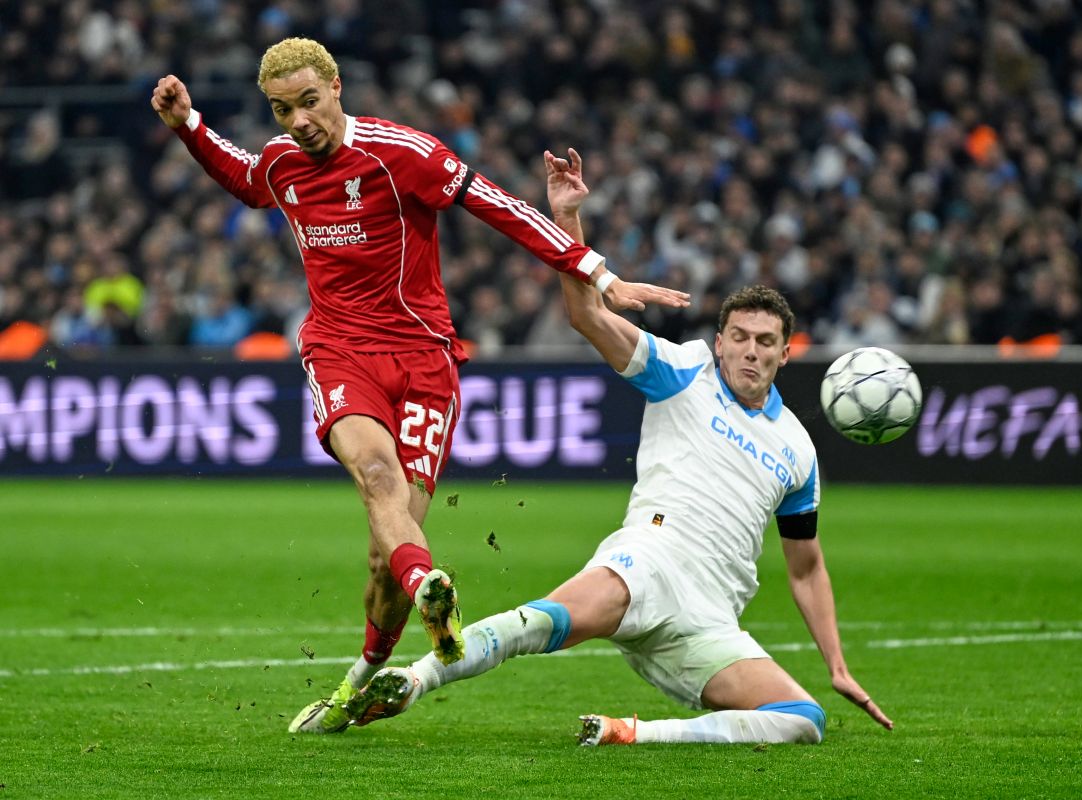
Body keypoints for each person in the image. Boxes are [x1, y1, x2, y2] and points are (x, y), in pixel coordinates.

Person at [149, 38, 688, 736]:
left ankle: (362, 677)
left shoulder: (403, 153)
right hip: (340, 351)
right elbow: (249, 178)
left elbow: (500, 207)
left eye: (309, 102)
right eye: (283, 110)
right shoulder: (283, 164)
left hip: (426, 362)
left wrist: (597, 271)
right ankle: (430, 588)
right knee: (380, 482)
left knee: (385, 554)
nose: (299, 121)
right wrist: (189, 126)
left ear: (337, 87)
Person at [339, 148, 893, 745]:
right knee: (546, 620)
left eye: (765, 342)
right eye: (739, 337)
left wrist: (835, 664)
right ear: (720, 341)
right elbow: (587, 315)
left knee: (803, 721)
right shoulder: (684, 371)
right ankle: (415, 679)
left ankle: (633, 733)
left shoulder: (797, 449)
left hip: (709, 619)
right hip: (648, 562)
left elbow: (806, 568)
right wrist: (568, 221)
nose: (750, 351)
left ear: (787, 353)